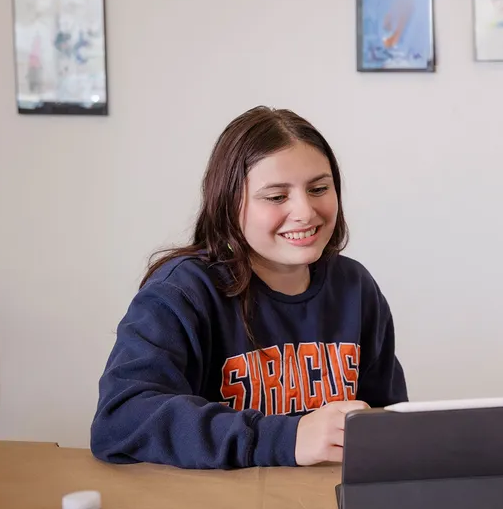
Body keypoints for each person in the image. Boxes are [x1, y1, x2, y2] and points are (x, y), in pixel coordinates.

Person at [90, 107, 407, 469]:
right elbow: (119, 419)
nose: (305, 211)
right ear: (228, 204)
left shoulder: (355, 287)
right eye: (276, 197)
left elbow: (386, 421)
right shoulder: (181, 293)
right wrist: (288, 438)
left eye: (319, 188)